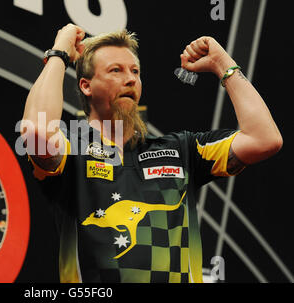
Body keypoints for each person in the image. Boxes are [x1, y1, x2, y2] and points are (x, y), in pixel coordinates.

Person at [20, 24, 282, 283]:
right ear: (86, 86)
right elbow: (36, 132)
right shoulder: (71, 153)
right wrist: (58, 54)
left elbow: (264, 139)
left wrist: (223, 64)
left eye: (135, 71)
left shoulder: (181, 150)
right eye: (116, 70)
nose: (131, 78)